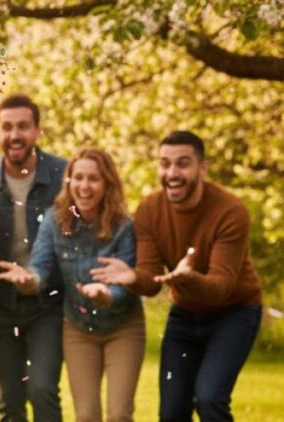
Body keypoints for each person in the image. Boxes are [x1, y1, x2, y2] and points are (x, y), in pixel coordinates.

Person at [91, 131, 262, 422]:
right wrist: (133, 276)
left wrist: (189, 277)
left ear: (202, 168)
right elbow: (150, 280)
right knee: (171, 412)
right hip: (184, 315)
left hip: (234, 313)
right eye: (165, 164)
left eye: (182, 164)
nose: (172, 173)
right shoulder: (149, 210)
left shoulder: (230, 211)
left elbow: (221, 286)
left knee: (209, 398)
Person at [0, 148, 144, 422]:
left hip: (123, 328)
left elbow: (126, 284)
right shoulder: (55, 220)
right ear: (69, 181)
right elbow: (39, 267)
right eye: (78, 178)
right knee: (86, 415)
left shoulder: (124, 226)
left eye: (93, 179)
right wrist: (29, 280)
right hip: (78, 329)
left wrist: (105, 294)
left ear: (107, 184)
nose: (84, 186)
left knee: (119, 414)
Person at [0, 93, 67, 421]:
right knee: (9, 400)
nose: (15, 135)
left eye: (23, 126)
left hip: (48, 304)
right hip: (1, 305)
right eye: (7, 127)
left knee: (42, 390)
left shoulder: (63, 175)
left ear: (38, 131)